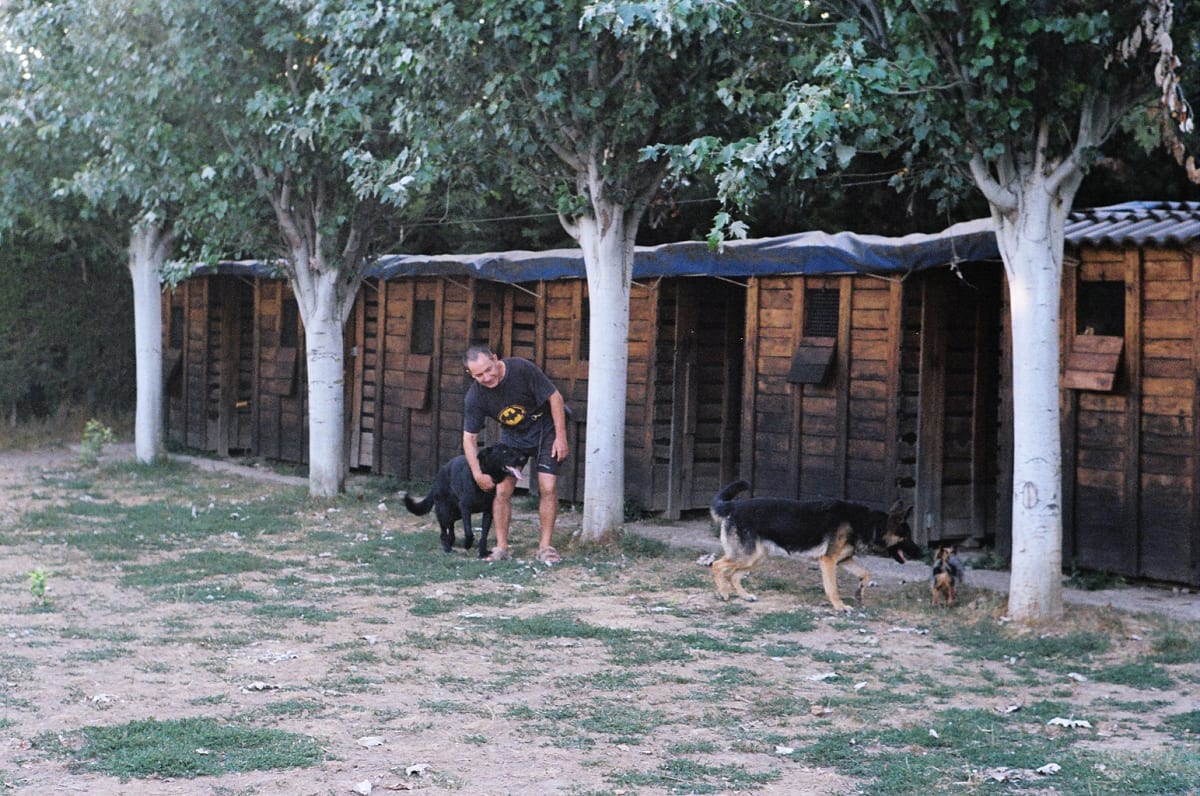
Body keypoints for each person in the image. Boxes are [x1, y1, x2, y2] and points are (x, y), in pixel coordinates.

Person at [462, 345, 569, 564]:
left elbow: (555, 398)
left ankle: (545, 546)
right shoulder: (475, 396)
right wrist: (477, 473)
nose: (486, 377)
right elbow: (469, 438)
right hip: (513, 436)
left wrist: (561, 437)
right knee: (502, 490)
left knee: (547, 487)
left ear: (495, 358)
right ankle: (502, 547)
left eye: (488, 370)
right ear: (470, 375)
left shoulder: (521, 369)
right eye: (479, 375)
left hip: (545, 430)